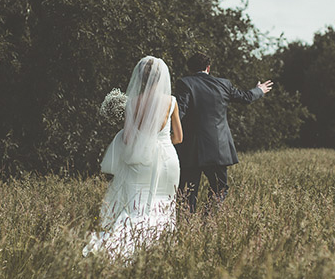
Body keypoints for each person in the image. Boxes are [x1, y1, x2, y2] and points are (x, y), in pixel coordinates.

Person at [83, 56, 183, 259]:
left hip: (142, 162)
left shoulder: (132, 103)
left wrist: (141, 141)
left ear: (140, 78)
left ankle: (124, 247)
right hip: (169, 162)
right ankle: (160, 249)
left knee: (138, 206)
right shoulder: (171, 101)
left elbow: (127, 139)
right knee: (164, 204)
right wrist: (161, 144)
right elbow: (179, 137)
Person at [174, 52, 273, 212]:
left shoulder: (184, 83)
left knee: (188, 191)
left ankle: (187, 224)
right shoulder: (223, 84)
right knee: (219, 188)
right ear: (208, 67)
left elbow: (180, 111)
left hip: (191, 148)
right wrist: (259, 90)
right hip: (217, 148)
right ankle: (208, 220)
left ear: (190, 69)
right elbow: (245, 97)